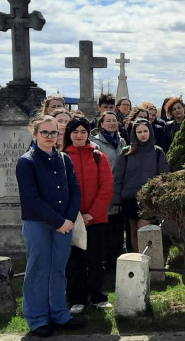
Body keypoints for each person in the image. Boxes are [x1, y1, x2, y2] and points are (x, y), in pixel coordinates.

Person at [16, 115, 84, 337]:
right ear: (35, 134)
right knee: (38, 269)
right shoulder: (26, 162)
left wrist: (69, 220)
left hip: (65, 224)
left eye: (53, 132)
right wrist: (59, 221)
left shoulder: (64, 159)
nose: (49, 137)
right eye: (44, 132)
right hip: (39, 223)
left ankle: (59, 313)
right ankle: (37, 318)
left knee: (58, 269)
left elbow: (74, 190)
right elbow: (31, 199)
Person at [62, 117, 114, 314]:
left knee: (95, 260)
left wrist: (91, 213)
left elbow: (106, 187)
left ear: (88, 134)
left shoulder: (99, 156)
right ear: (69, 134)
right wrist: (75, 215)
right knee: (74, 261)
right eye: (75, 132)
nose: (79, 135)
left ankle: (96, 296)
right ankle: (77, 298)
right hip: (71, 220)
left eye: (83, 131)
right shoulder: (62, 156)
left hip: (96, 219)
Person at [112, 120, 170, 252]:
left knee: (143, 229)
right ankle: (137, 260)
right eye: (139, 132)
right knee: (133, 231)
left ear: (150, 132)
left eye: (145, 131)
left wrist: (160, 197)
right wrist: (117, 199)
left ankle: (146, 259)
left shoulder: (158, 152)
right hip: (130, 198)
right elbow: (118, 177)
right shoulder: (127, 152)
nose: (143, 134)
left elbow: (164, 176)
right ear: (134, 134)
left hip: (149, 199)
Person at [91, 112, 128, 267]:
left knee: (117, 228)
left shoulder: (121, 141)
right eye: (108, 121)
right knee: (103, 228)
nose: (112, 123)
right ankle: (103, 260)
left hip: (119, 189)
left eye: (114, 120)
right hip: (103, 189)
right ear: (101, 124)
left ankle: (116, 260)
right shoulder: (95, 142)